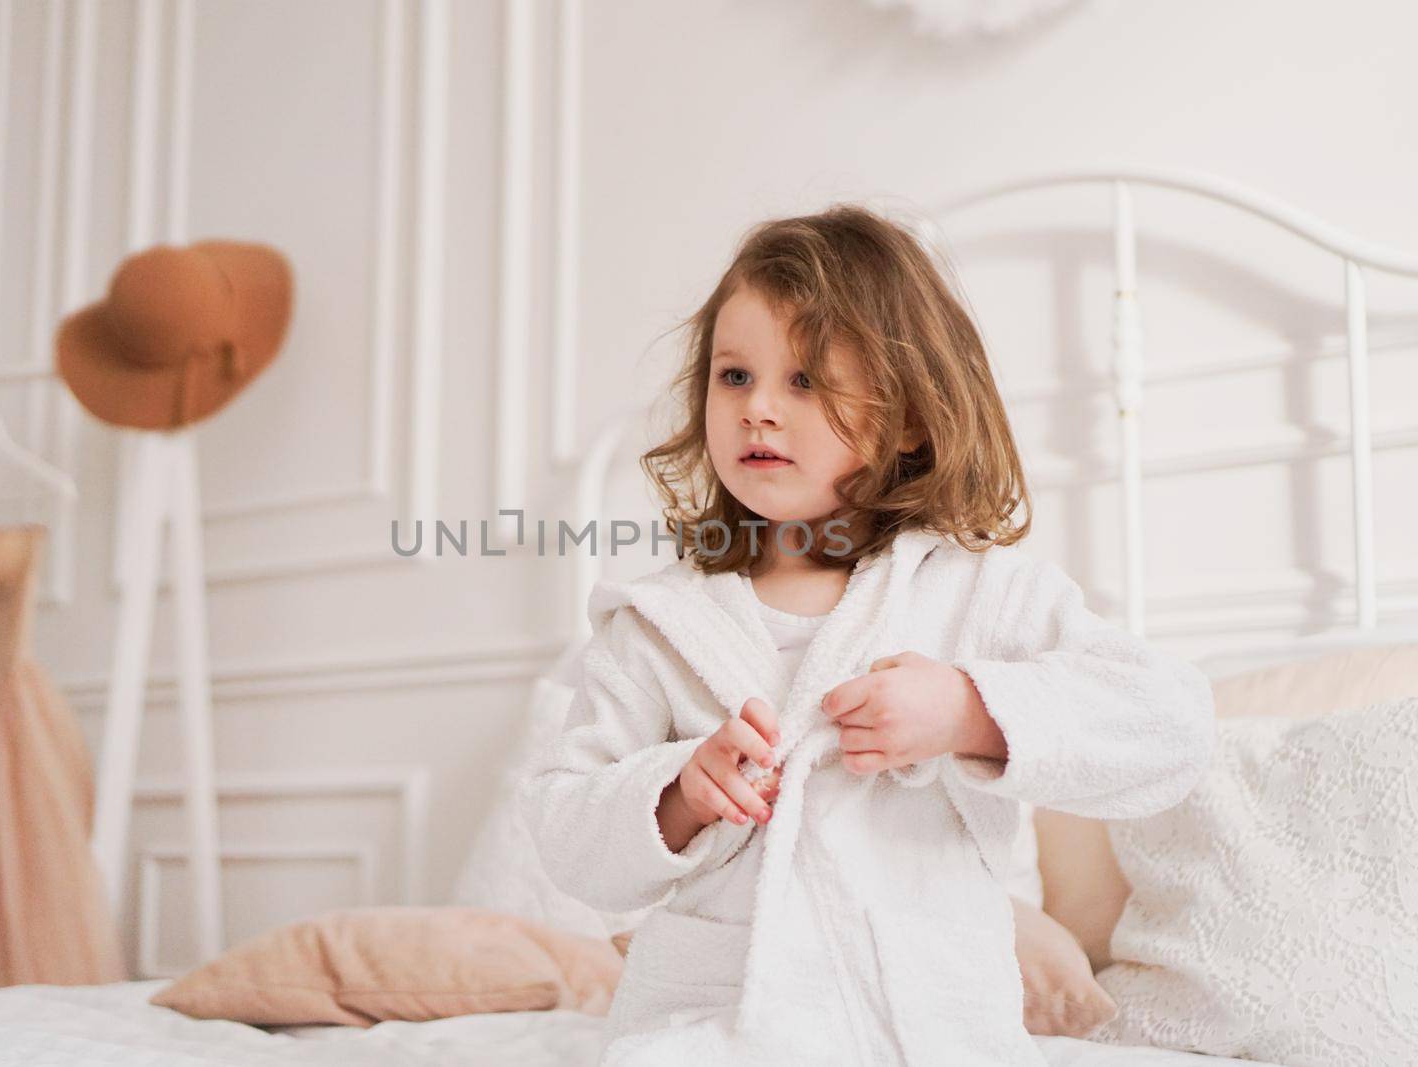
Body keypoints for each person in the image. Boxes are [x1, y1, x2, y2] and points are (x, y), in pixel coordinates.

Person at [516, 204, 1215, 1065]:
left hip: (926, 1020)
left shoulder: (980, 594)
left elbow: (1172, 724)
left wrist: (970, 710)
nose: (758, 409)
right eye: (734, 376)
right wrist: (680, 795)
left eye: (805, 380)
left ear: (910, 417)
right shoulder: (658, 623)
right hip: (711, 1017)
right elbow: (563, 825)